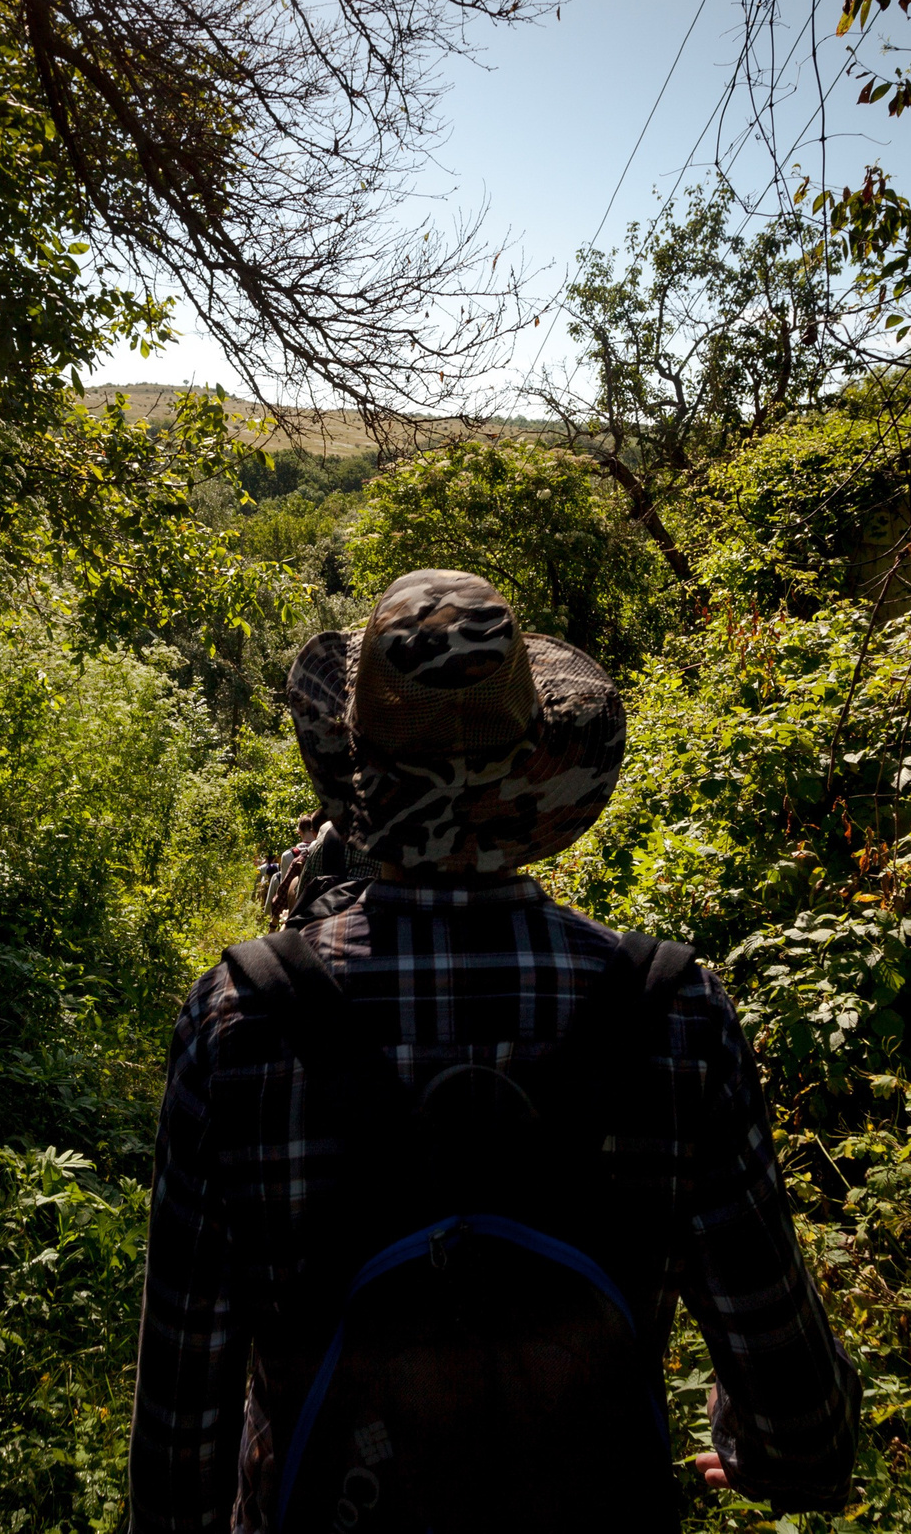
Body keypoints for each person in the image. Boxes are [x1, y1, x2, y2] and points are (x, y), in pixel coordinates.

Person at [130, 569, 858, 1533]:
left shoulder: (239, 1019)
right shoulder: (674, 1013)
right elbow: (805, 1429)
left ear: (357, 766)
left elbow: (183, 1422)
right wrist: (753, 1446)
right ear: (534, 769)